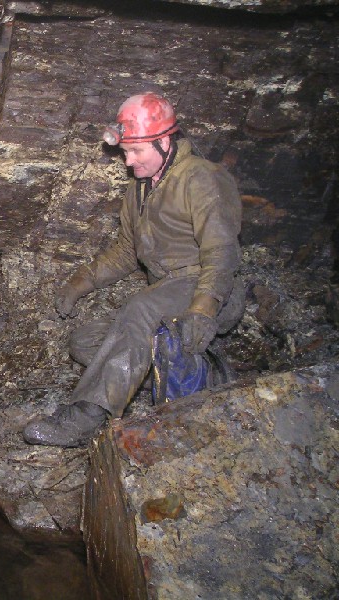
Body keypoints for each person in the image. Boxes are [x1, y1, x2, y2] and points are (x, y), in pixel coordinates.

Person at [24, 91, 244, 448]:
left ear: (164, 141)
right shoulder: (138, 189)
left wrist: (204, 308)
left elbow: (222, 251)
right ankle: (193, 368)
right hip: (168, 291)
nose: (128, 161)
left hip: (208, 284)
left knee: (139, 311)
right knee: (85, 342)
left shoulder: (201, 178)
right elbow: (127, 251)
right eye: (126, 151)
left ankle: (84, 418)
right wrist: (81, 283)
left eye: (136, 151)